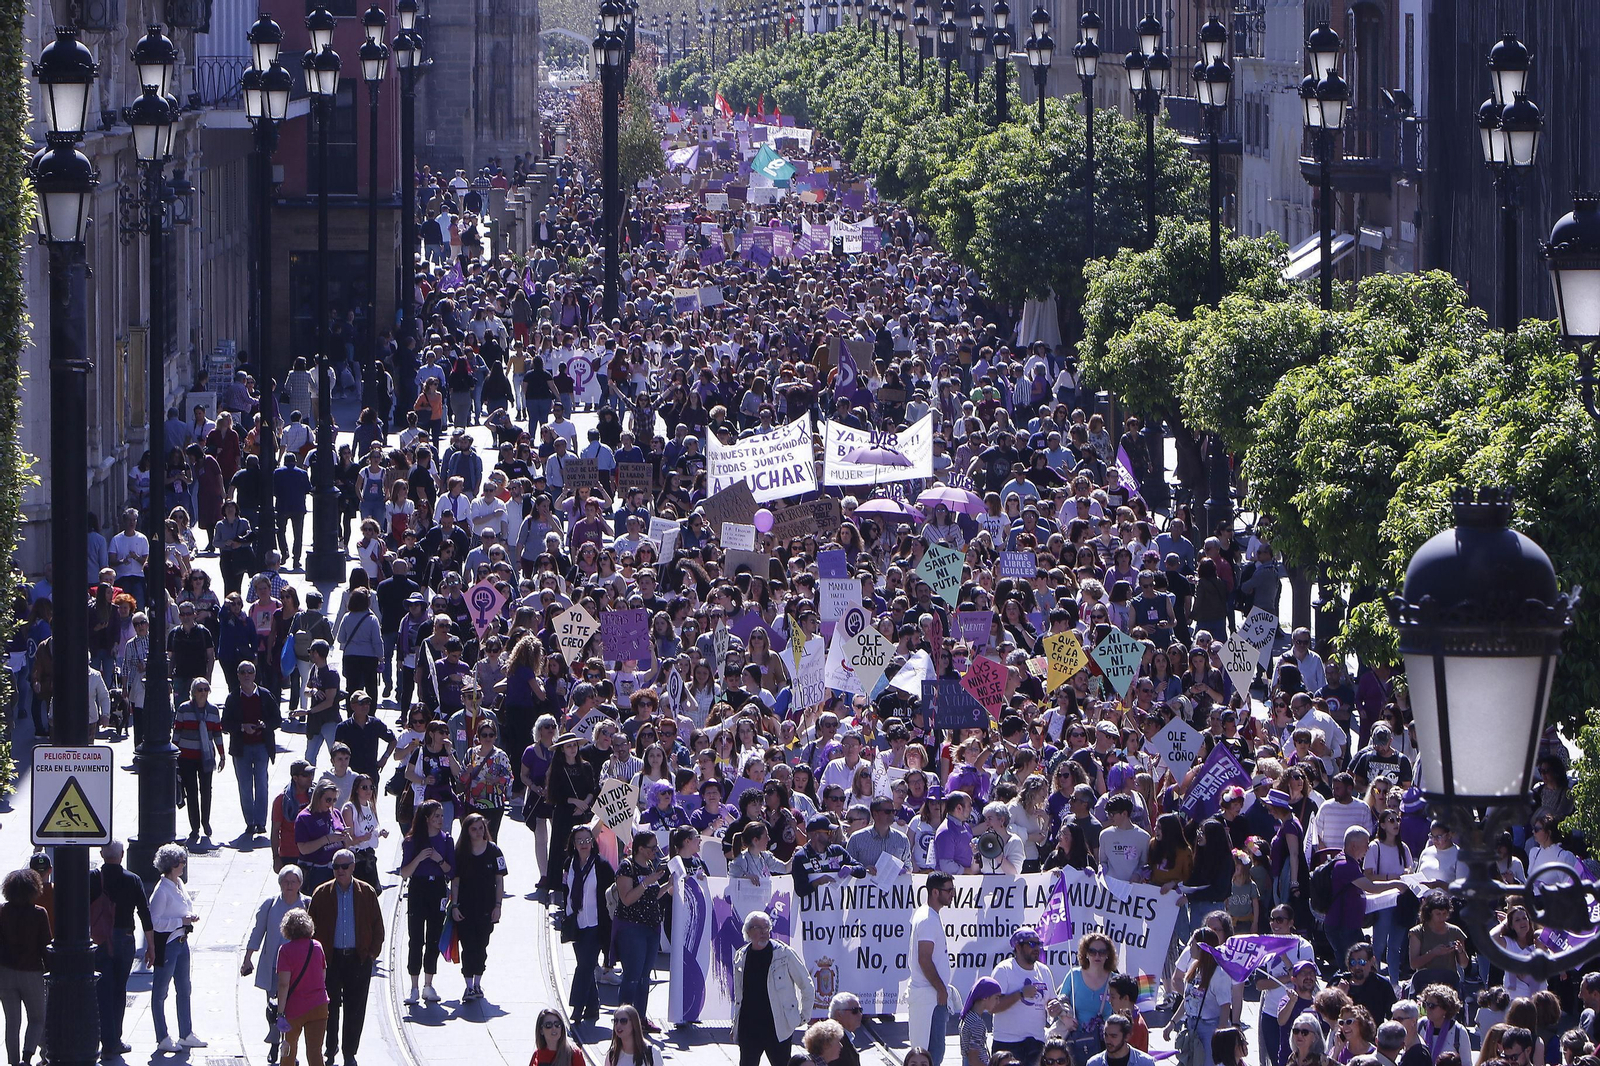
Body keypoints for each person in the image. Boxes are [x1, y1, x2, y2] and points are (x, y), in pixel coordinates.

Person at [308, 848, 384, 1066]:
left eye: (343, 867)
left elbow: (378, 926)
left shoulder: (366, 892)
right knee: (328, 1007)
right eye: (335, 867)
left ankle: (350, 1052)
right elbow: (310, 927)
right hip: (330, 960)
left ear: (352, 867)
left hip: (357, 959)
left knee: (355, 1007)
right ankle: (330, 1049)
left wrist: (371, 954)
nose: (339, 871)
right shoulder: (321, 893)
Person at [241, 866, 311, 1064]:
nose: (289, 885)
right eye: (285, 881)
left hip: (299, 969)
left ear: (300, 884)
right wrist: (248, 958)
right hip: (275, 967)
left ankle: (288, 1051)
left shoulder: (307, 904)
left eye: (293, 881)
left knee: (293, 1010)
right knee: (275, 1008)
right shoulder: (270, 904)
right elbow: (257, 932)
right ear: (280, 883)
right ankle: (274, 1042)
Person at [91, 840, 154, 1061]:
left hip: (99, 940)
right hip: (125, 939)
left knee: (101, 990)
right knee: (119, 990)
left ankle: (103, 1038)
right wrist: (151, 946)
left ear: (101, 853)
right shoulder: (132, 879)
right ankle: (114, 1040)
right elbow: (144, 913)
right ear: (122, 854)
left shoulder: (92, 878)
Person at [731, 909, 816, 1066]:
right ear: (748, 932)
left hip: (778, 1028)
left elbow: (807, 985)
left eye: (767, 928)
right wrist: (735, 1024)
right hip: (749, 1028)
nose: (764, 932)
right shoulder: (740, 956)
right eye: (759, 928)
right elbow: (739, 996)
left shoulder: (785, 954)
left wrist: (803, 1016)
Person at [149, 843, 207, 1052]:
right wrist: (180, 921)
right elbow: (154, 922)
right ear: (173, 864)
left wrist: (189, 917)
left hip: (182, 942)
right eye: (182, 862)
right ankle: (162, 1036)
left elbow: (184, 906)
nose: (184, 865)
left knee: (184, 988)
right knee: (160, 991)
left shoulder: (178, 882)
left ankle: (186, 1033)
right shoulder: (161, 891)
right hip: (168, 944)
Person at [398, 799, 456, 1005]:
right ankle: (413, 986)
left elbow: (452, 871)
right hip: (418, 888)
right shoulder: (412, 841)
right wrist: (420, 858)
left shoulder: (447, 840)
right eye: (436, 816)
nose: (440, 820)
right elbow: (404, 873)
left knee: (433, 937)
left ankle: (428, 984)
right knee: (415, 938)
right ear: (426, 819)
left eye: (441, 816)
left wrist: (440, 860)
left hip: (438, 888)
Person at [615, 833, 670, 1030]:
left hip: (651, 927)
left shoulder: (651, 866)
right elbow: (627, 899)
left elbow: (652, 896)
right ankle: (623, 1020)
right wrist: (648, 881)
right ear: (640, 848)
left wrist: (667, 885)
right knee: (632, 976)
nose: (655, 851)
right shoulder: (627, 867)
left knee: (645, 976)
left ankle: (640, 1018)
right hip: (632, 928)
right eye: (652, 847)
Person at [450, 812, 507, 1001]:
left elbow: (499, 881)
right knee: (468, 946)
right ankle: (468, 985)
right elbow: (455, 882)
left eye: (481, 828)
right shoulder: (460, 853)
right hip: (465, 908)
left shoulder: (494, 851)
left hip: (486, 907)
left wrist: (498, 906)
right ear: (467, 831)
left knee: (482, 945)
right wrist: (455, 906)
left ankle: (478, 982)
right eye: (473, 829)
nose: (478, 832)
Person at [562, 824, 615, 1025]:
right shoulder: (569, 863)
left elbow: (610, 895)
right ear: (573, 844)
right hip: (576, 923)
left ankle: (577, 1006)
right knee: (586, 964)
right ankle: (593, 1007)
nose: (584, 844)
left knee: (584, 965)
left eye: (587, 840)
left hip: (596, 924)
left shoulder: (601, 865)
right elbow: (566, 890)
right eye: (579, 841)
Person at [222, 659, 282, 837]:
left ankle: (260, 822)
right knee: (245, 786)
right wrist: (242, 727)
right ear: (238, 676)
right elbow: (225, 724)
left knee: (262, 784)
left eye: (250, 672)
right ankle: (250, 822)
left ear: (255, 675)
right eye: (243, 672)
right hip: (242, 749)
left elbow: (277, 719)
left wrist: (265, 725)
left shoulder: (265, 695)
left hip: (262, 746)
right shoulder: (233, 698)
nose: (247, 675)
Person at [0, 869, 49, 1066]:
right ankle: (26, 1058)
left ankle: (13, 1062)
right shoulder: (38, 913)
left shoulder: (2, 911)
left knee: (12, 1022)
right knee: (37, 1018)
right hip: (32, 972)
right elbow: (46, 945)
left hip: (5, 973)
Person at [990, 926, 1056, 1066]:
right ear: (1018, 947)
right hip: (1008, 1043)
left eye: (1038, 944)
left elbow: (1051, 1002)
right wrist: (1020, 994)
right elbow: (992, 1007)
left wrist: (1055, 1007)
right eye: (1031, 944)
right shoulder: (1004, 970)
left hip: (1036, 1042)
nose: (1036, 948)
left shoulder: (1044, 971)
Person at [910, 871, 957, 1065]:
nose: (952, 894)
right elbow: (924, 959)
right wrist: (940, 989)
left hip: (930, 995)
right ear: (935, 892)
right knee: (932, 1054)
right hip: (930, 997)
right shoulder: (928, 918)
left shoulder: (928, 914)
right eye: (949, 890)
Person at [275, 908, 330, 1066]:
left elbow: (284, 984)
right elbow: (323, 976)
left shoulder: (285, 951)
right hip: (319, 1006)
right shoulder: (317, 946)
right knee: (315, 1052)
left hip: (295, 1009)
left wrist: (280, 1012)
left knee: (289, 1051)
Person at [173, 677, 225, 840]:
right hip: (186, 757)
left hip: (206, 757)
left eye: (206, 690)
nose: (203, 693)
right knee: (191, 792)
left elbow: (217, 733)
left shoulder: (213, 710)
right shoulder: (183, 709)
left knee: (206, 790)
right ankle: (194, 826)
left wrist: (222, 755)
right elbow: (177, 733)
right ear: (193, 692)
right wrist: (173, 754)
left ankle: (206, 822)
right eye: (200, 690)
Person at [1057, 932, 1119, 1065]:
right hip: (1074, 1042)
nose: (1097, 955)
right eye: (1092, 951)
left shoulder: (1114, 979)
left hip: (1103, 1044)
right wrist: (1065, 1019)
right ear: (1085, 953)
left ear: (1108, 955)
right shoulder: (1074, 975)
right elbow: (1058, 1004)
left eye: (1102, 952)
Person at [1408, 894, 1470, 994]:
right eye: (1438, 914)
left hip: (1449, 983)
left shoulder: (1455, 931)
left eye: (1444, 913)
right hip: (1426, 982)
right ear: (1430, 913)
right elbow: (1413, 964)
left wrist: (1461, 951)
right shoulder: (1417, 932)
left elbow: (1464, 964)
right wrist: (1433, 953)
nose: (1442, 918)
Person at [960, 976, 1004, 1066]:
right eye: (996, 997)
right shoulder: (977, 1023)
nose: (998, 1002)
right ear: (985, 997)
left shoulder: (968, 1017)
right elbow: (973, 1059)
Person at [1086, 1015, 1158, 1066]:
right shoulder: (1094, 1063)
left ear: (1127, 1036)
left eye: (1113, 1036)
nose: (1108, 1040)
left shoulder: (1145, 1063)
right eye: (1106, 1035)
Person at [830, 993, 866, 1066]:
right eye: (855, 1011)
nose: (860, 1014)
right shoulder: (833, 1040)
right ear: (839, 1014)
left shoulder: (842, 1035)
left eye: (860, 1010)